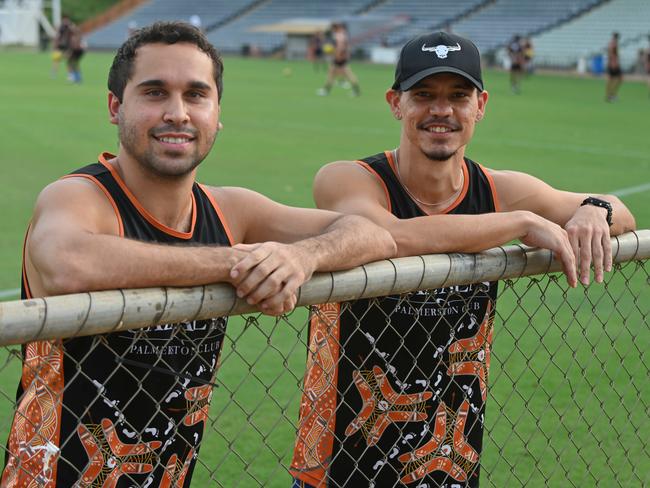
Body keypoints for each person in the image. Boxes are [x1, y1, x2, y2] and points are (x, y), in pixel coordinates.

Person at [1, 22, 397, 487]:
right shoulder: (80, 197)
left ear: (217, 111)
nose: (178, 113)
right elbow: (69, 264)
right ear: (115, 106)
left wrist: (302, 257)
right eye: (154, 92)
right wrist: (238, 262)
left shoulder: (229, 209)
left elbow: (373, 235)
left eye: (196, 95)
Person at [290, 31, 635, 487]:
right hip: (344, 457)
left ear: (481, 105)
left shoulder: (496, 191)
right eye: (424, 95)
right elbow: (391, 237)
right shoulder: (350, 180)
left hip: (450, 455)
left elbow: (621, 213)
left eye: (458, 95)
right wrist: (516, 224)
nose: (442, 110)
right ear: (396, 103)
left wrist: (596, 208)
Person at [317, 22, 361, 97]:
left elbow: (340, 48)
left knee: (345, 74)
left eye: (332, 29)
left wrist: (336, 55)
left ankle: (326, 90)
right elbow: (346, 47)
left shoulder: (339, 36)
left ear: (334, 28)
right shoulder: (343, 34)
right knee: (334, 73)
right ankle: (326, 90)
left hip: (339, 58)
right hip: (342, 57)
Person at [605, 32, 622, 102]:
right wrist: (614, 63)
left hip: (612, 63)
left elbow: (611, 54)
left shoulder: (612, 43)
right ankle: (611, 95)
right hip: (613, 64)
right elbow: (611, 54)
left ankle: (610, 95)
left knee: (612, 80)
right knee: (616, 79)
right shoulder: (613, 44)